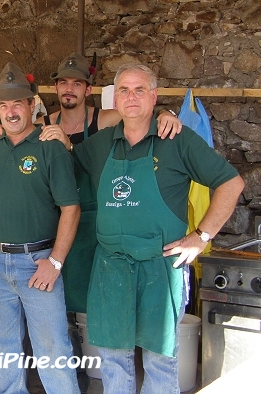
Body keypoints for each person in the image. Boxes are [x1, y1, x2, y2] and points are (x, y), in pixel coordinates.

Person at [69, 63, 244, 393]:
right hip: (111, 268)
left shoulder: (177, 139)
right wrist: (45, 136)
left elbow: (231, 183)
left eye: (139, 90)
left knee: (160, 361)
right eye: (124, 90)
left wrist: (201, 236)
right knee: (113, 358)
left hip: (160, 267)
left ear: (153, 96)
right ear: (114, 99)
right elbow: (62, 164)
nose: (131, 97)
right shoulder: (100, 144)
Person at [38, 53, 183, 391]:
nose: (69, 88)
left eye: (76, 82)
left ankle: (110, 376)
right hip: (62, 222)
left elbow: (141, 116)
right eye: (63, 82)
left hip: (101, 224)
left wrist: (167, 113)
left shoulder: (104, 119)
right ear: (56, 87)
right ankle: (74, 375)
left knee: (107, 311)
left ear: (88, 89)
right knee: (62, 306)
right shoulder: (45, 121)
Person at [0, 62, 81, 394]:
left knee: (53, 350)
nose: (10, 111)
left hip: (38, 261)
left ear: (31, 105)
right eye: (3, 105)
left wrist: (54, 262)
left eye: (17, 103)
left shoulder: (49, 147)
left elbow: (71, 208)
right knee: (5, 351)